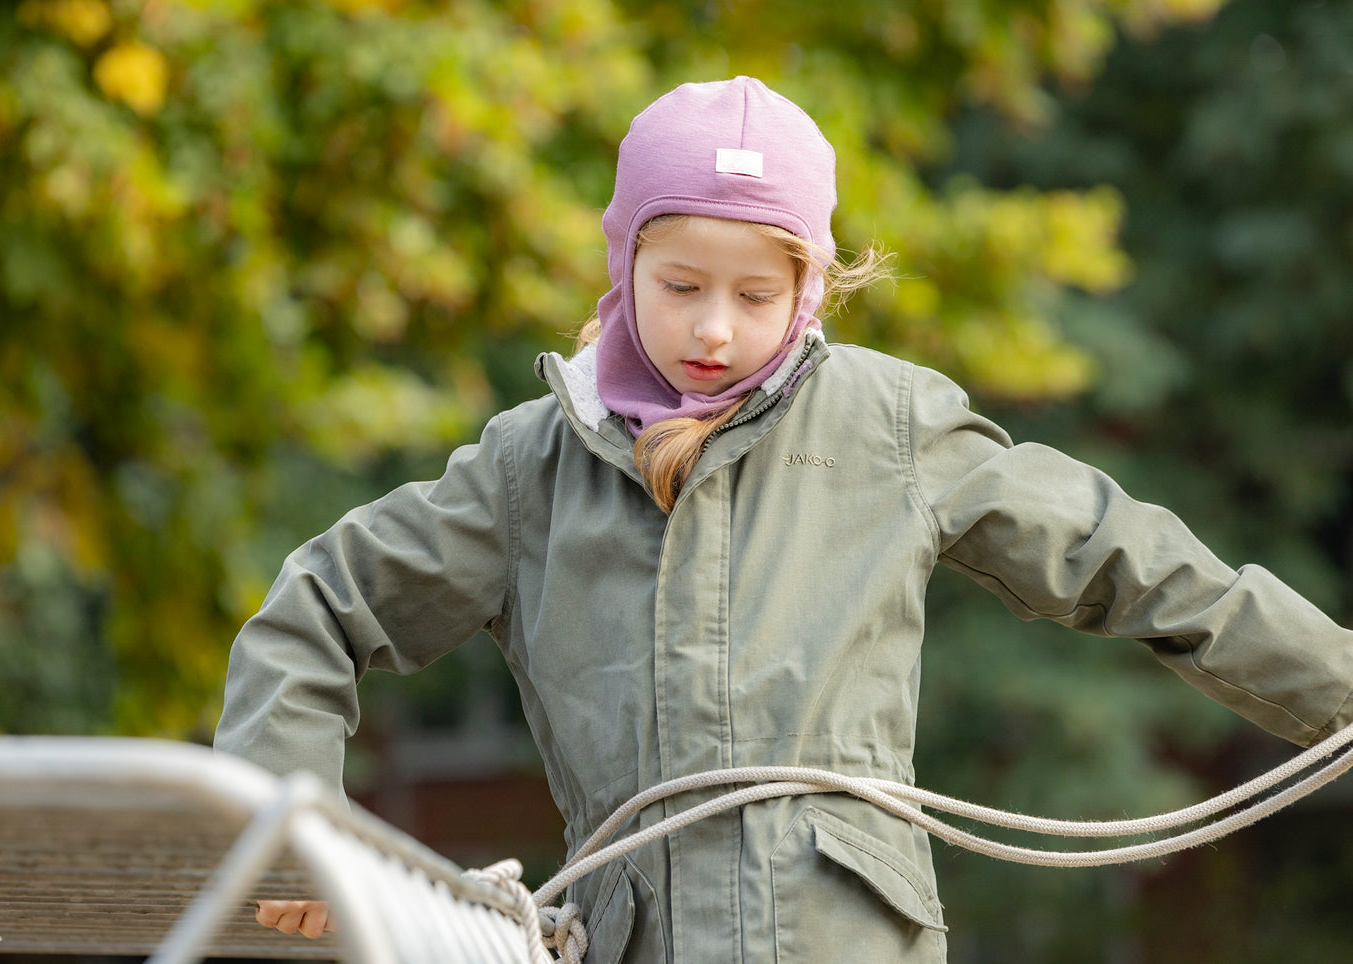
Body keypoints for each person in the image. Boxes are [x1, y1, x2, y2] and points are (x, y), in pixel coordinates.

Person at [215, 76, 1353, 963]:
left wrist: (1340, 689)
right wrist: (287, 850)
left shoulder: (888, 425)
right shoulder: (532, 467)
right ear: (624, 263)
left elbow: (1132, 560)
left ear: (808, 285)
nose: (713, 327)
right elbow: (319, 604)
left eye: (755, 295)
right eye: (678, 285)